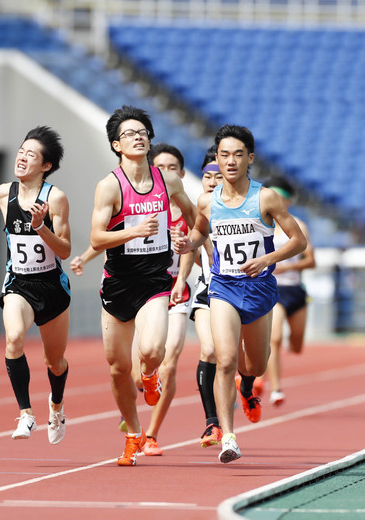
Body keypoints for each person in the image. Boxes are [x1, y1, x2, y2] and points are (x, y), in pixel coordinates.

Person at [172, 124, 307, 463]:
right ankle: (228, 437)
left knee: (255, 364)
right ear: (217, 159)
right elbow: (199, 234)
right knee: (225, 358)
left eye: (237, 155)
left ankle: (248, 387)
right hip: (224, 287)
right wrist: (186, 243)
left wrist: (268, 258)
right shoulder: (206, 201)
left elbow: (298, 241)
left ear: (250, 158)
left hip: (259, 289)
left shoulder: (266, 197)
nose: (230, 162)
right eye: (224, 155)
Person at [91, 105, 195, 466]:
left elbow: (193, 215)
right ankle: (133, 434)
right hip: (118, 283)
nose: (138, 137)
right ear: (117, 145)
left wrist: (188, 240)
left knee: (152, 350)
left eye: (143, 132)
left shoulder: (168, 181)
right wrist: (134, 230)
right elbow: (96, 236)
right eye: (130, 134)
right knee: (118, 368)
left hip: (154, 280)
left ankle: (150, 377)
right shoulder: (110, 186)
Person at [0, 126, 71, 445]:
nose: (22, 158)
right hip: (18, 284)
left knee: (55, 361)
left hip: (52, 287)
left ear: (46, 166)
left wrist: (41, 227)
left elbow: (65, 249)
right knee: (13, 338)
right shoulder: (3, 193)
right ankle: (26, 413)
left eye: (31, 155)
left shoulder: (55, 198)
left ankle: (56, 405)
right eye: (21, 152)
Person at [138, 143, 195, 456]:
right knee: (140, 370)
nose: (167, 173)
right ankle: (138, 391)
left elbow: (196, 247)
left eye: (173, 168)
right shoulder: (142, 208)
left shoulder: (188, 210)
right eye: (160, 167)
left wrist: (185, 276)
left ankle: (151, 434)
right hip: (144, 293)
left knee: (169, 364)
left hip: (176, 293)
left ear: (182, 173)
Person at [264, 178, 315, 407]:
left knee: (296, 346)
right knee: (274, 338)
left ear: (288, 200)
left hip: (295, 290)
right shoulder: (261, 224)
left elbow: (311, 261)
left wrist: (288, 266)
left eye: (281, 197)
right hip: (272, 290)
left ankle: (263, 369)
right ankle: (275, 388)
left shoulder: (299, 226)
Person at [191, 145, 226, 447]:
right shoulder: (201, 208)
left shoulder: (245, 207)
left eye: (219, 175)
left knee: (246, 364)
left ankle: (248, 384)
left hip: (239, 294)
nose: (213, 180)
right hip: (206, 293)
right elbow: (195, 243)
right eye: (207, 175)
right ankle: (212, 424)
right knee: (210, 351)